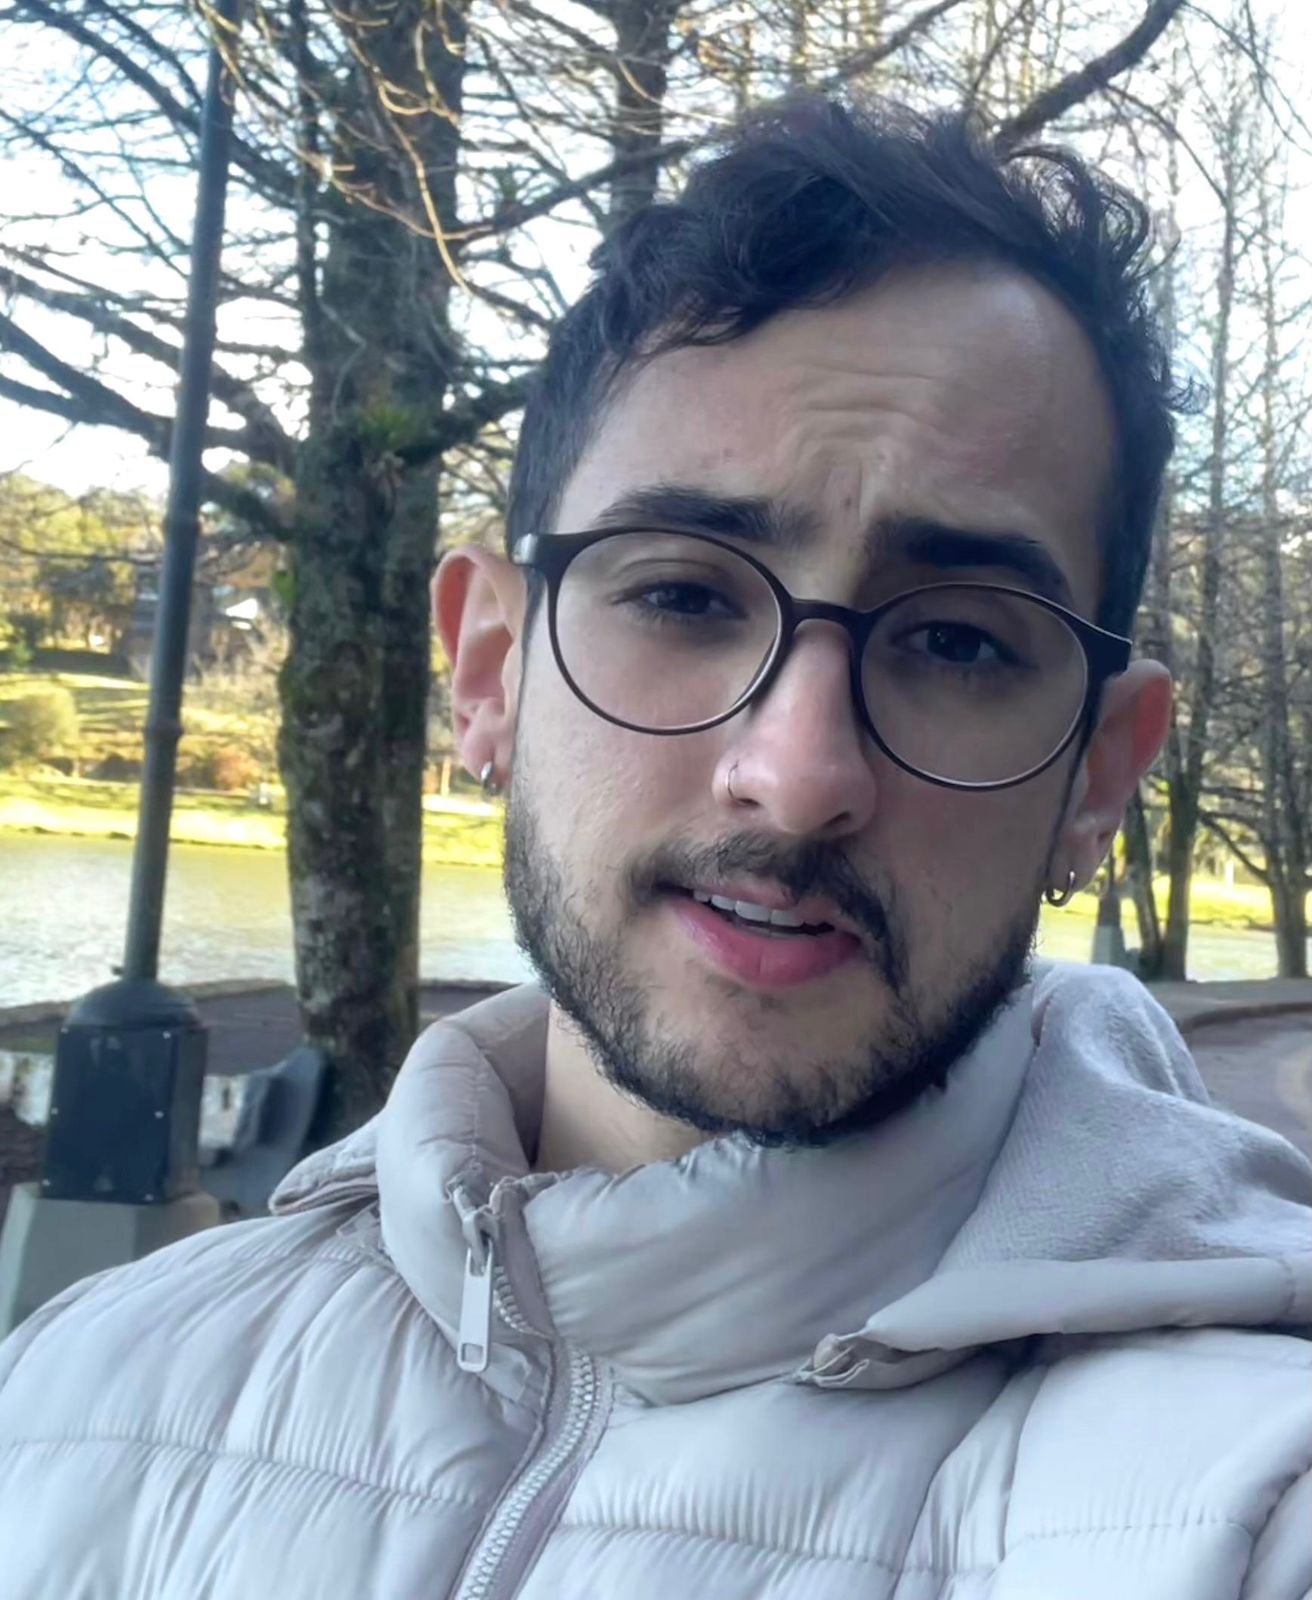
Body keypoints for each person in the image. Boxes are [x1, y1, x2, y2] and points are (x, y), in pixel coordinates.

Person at [1, 98, 1310, 1600]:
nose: (798, 779)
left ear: (1098, 774)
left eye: (957, 641)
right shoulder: (74, 1400)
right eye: (685, 596)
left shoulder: (1249, 1505)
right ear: (491, 672)